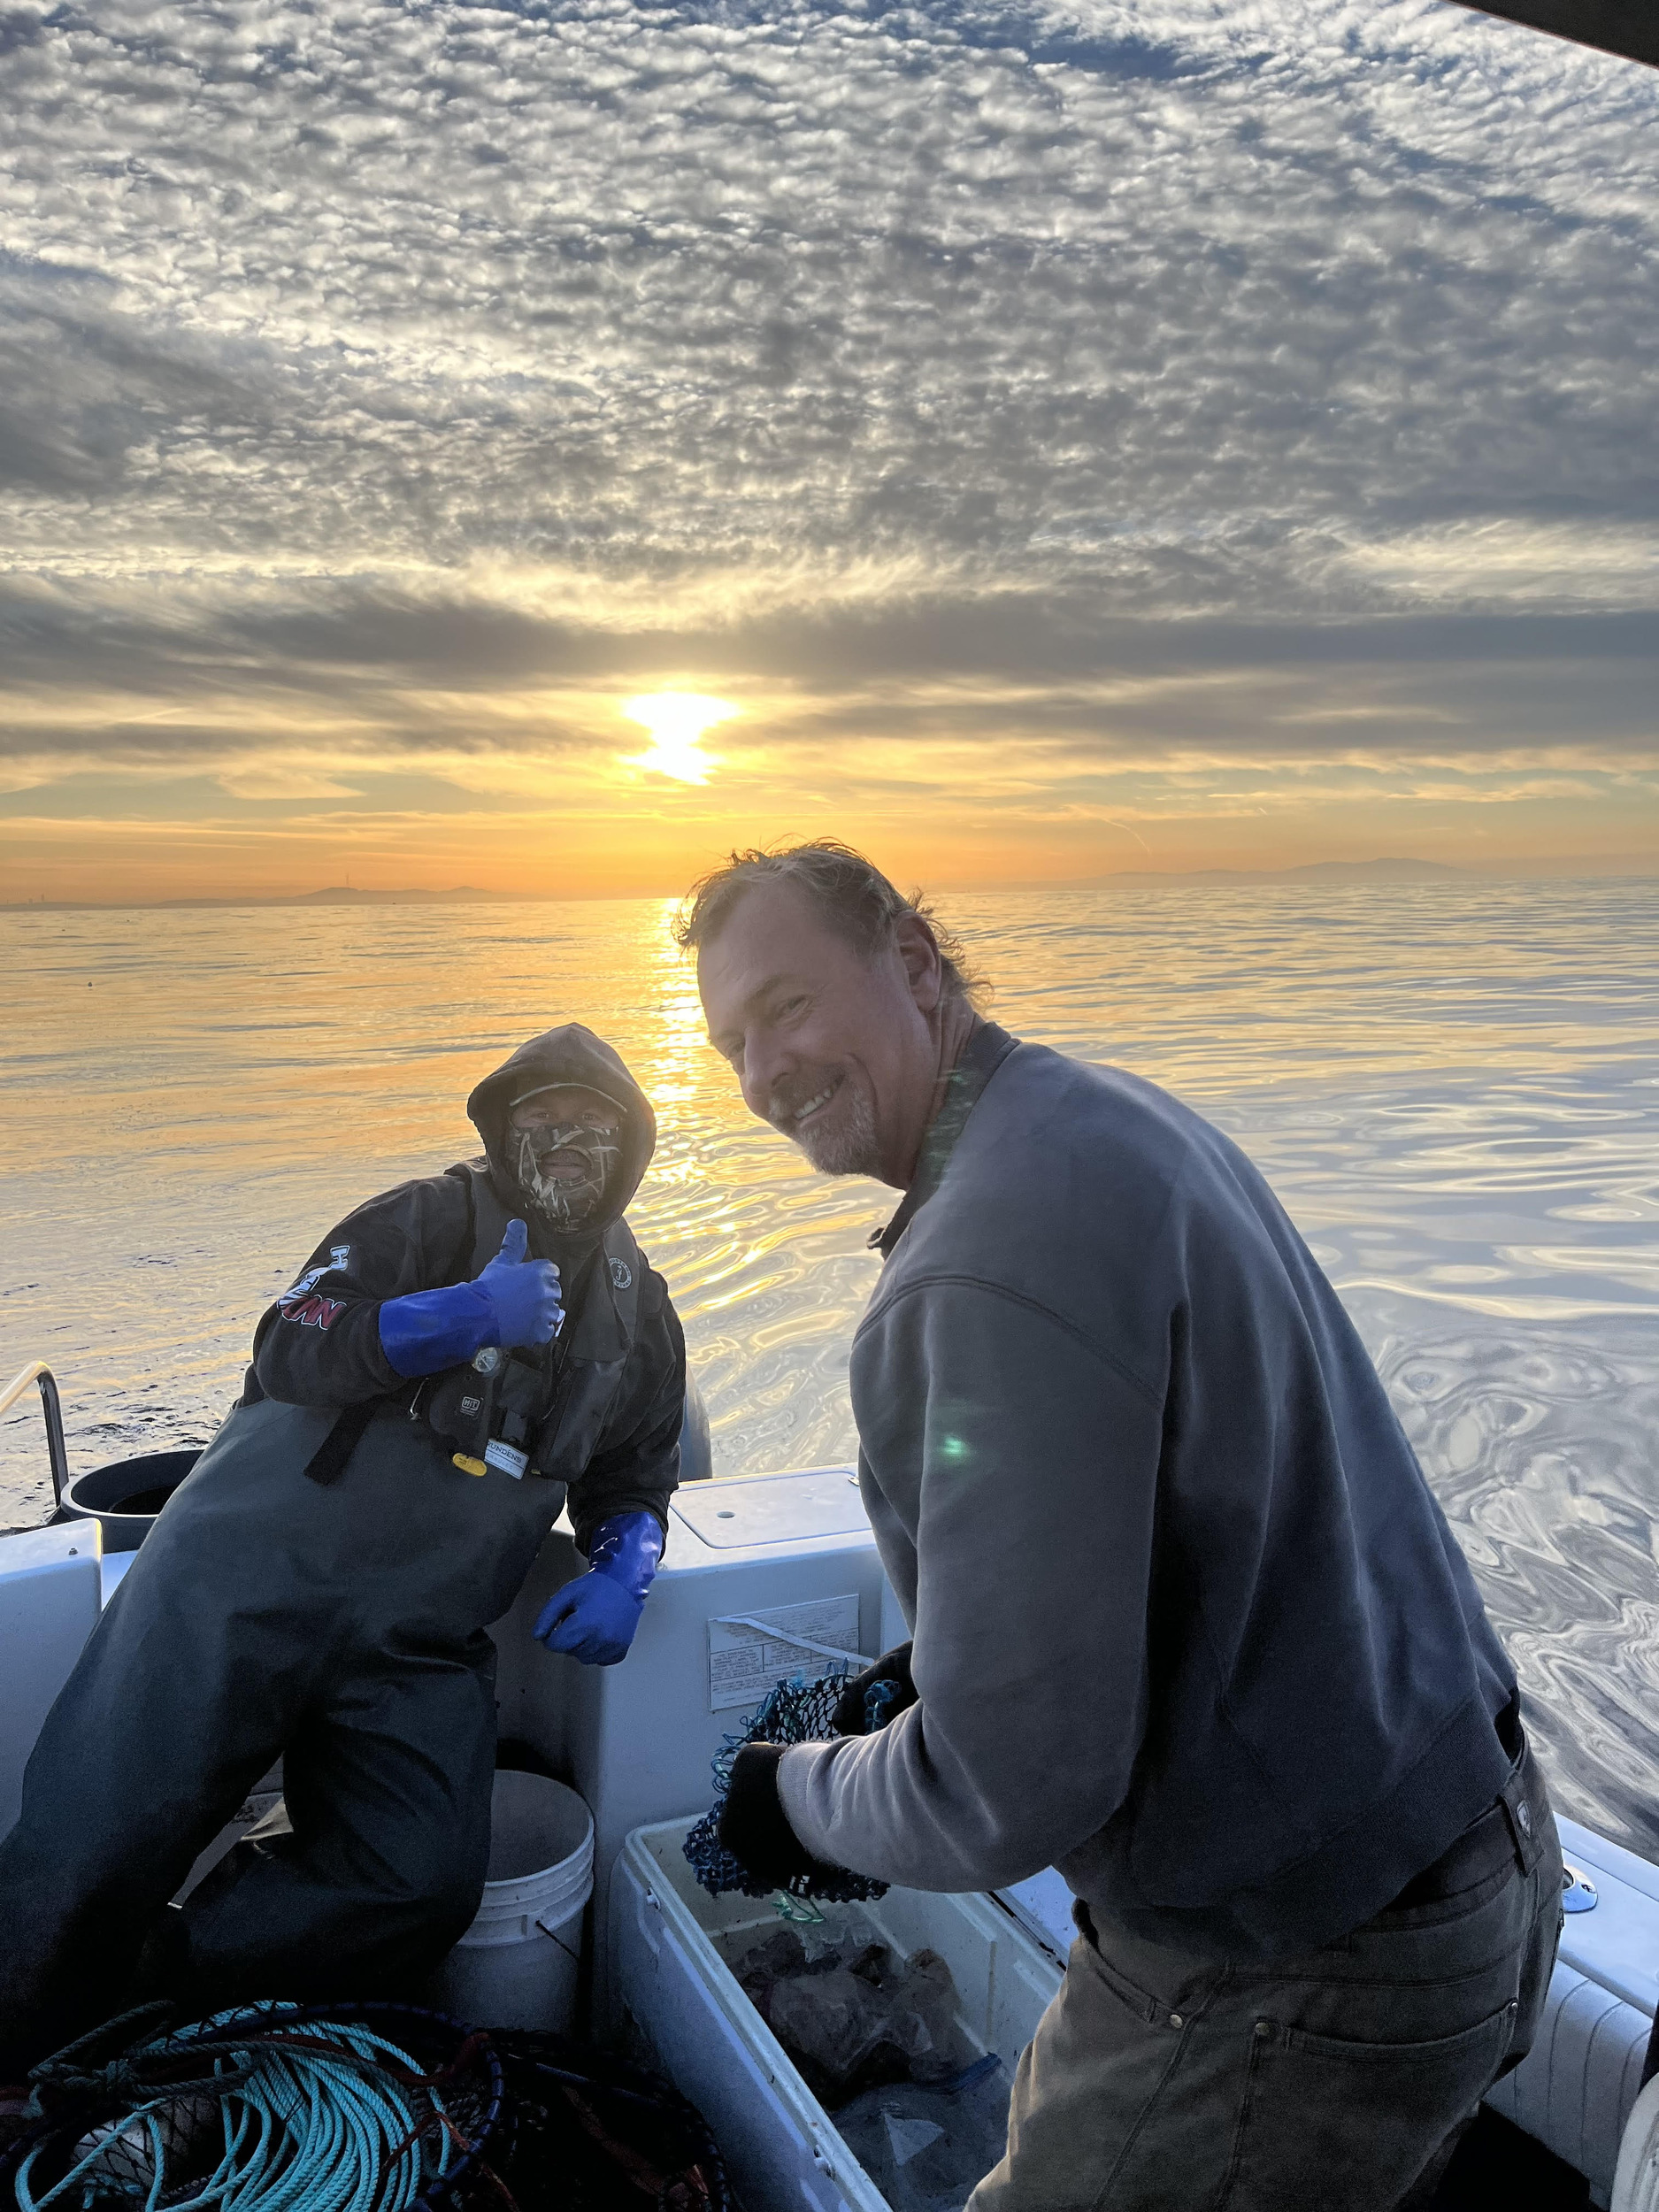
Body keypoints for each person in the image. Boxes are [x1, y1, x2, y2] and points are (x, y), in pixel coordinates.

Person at [680, 841, 1562, 2212]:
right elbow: (1176, 1520)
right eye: (731, 1043)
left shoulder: (975, 1265)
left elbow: (1004, 1790)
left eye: (786, 1006)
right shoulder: (1099, 1121)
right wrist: (927, 1676)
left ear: (912, 960)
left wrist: (791, 1796)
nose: (761, 1073)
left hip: (1297, 1961)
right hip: (1475, 1842)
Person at [0, 1023, 685, 2073]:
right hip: (236, 1584)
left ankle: (155, 2001)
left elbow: (636, 1475)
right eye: (540, 1119)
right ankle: (16, 2047)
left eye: (591, 1124)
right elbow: (289, 1338)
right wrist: (459, 1315)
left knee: (416, 1881)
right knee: (95, 1837)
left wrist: (625, 1573)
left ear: (631, 1144)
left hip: (416, 1642)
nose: (565, 1141)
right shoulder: (424, 1218)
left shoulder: (644, 1318)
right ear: (502, 1132)